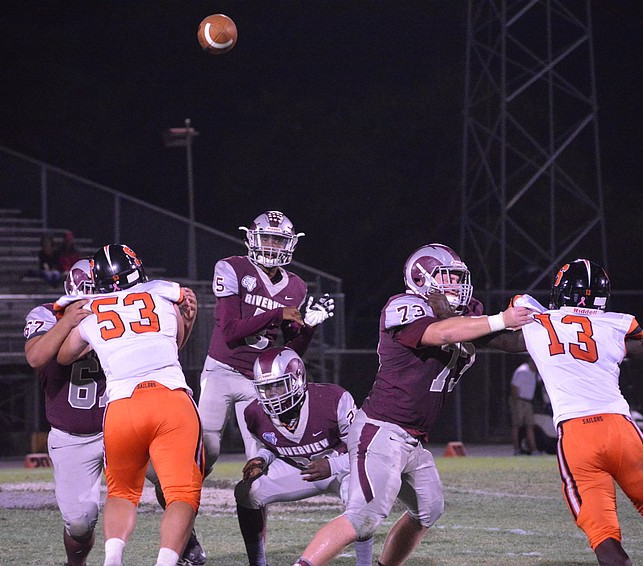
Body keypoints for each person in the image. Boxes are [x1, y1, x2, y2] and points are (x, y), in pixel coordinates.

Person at [294, 243, 533, 566]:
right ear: (422, 278)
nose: (456, 285)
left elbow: (509, 340)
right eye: (447, 277)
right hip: (382, 429)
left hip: (414, 438)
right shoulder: (404, 306)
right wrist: (502, 317)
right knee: (363, 518)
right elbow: (442, 334)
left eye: (458, 278)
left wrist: (545, 322)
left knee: (428, 509)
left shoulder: (464, 314)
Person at [513, 259, 643, 566]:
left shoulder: (538, 325)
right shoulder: (613, 326)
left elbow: (496, 339)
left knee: (604, 535)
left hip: (577, 436)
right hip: (619, 429)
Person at [57, 244, 200, 566]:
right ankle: (165, 562)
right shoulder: (164, 296)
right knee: (181, 493)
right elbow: (174, 344)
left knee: (122, 492)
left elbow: (64, 355)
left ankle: (112, 559)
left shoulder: (91, 309)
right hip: (170, 398)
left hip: (122, 407)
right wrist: (189, 317)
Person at [198, 210, 335, 476]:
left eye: (278, 241)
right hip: (221, 370)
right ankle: (177, 500)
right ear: (252, 239)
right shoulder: (232, 268)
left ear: (290, 245)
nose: (272, 247)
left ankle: (256, 513)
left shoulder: (296, 287)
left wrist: (309, 328)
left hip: (259, 381)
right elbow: (228, 331)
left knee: (260, 459)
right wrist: (276, 313)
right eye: (267, 239)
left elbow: (289, 353)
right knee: (206, 449)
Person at [235, 347, 373, 566]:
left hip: (341, 469)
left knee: (360, 501)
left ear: (297, 378)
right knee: (247, 491)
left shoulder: (333, 399)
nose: (272, 395)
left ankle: (364, 563)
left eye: (278, 385)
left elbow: (365, 451)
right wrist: (262, 460)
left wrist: (333, 465)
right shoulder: (253, 412)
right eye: (266, 389)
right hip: (300, 471)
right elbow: (272, 446)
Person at [24, 259, 106, 566]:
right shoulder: (47, 314)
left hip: (120, 424)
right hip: (72, 436)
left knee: (170, 478)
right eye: (87, 292)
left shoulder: (121, 313)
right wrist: (67, 322)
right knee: (80, 522)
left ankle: (186, 544)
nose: (92, 300)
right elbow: (35, 357)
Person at [509, 356, 540, 455]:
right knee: (517, 425)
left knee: (530, 425)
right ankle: (516, 449)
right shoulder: (522, 371)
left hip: (528, 401)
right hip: (519, 400)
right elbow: (514, 387)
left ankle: (533, 450)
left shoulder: (534, 372)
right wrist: (516, 403)